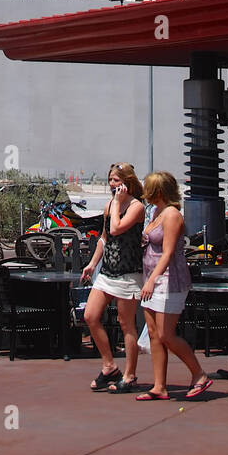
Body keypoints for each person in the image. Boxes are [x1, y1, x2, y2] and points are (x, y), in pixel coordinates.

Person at [136, 171, 211, 400]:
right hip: (152, 276)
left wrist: (151, 280)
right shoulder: (155, 212)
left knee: (166, 334)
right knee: (153, 333)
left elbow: (168, 253)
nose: (145, 193)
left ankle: (199, 374)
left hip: (169, 280)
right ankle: (159, 386)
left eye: (149, 188)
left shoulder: (172, 215)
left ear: (158, 191)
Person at [81, 163, 145, 392]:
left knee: (126, 323)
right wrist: (91, 264)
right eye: (110, 180)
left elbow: (118, 228)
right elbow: (106, 237)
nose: (112, 185)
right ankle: (109, 365)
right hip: (108, 270)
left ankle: (130, 375)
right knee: (90, 315)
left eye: (116, 180)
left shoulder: (136, 207)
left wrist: (118, 203)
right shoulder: (110, 205)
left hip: (128, 272)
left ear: (127, 182)